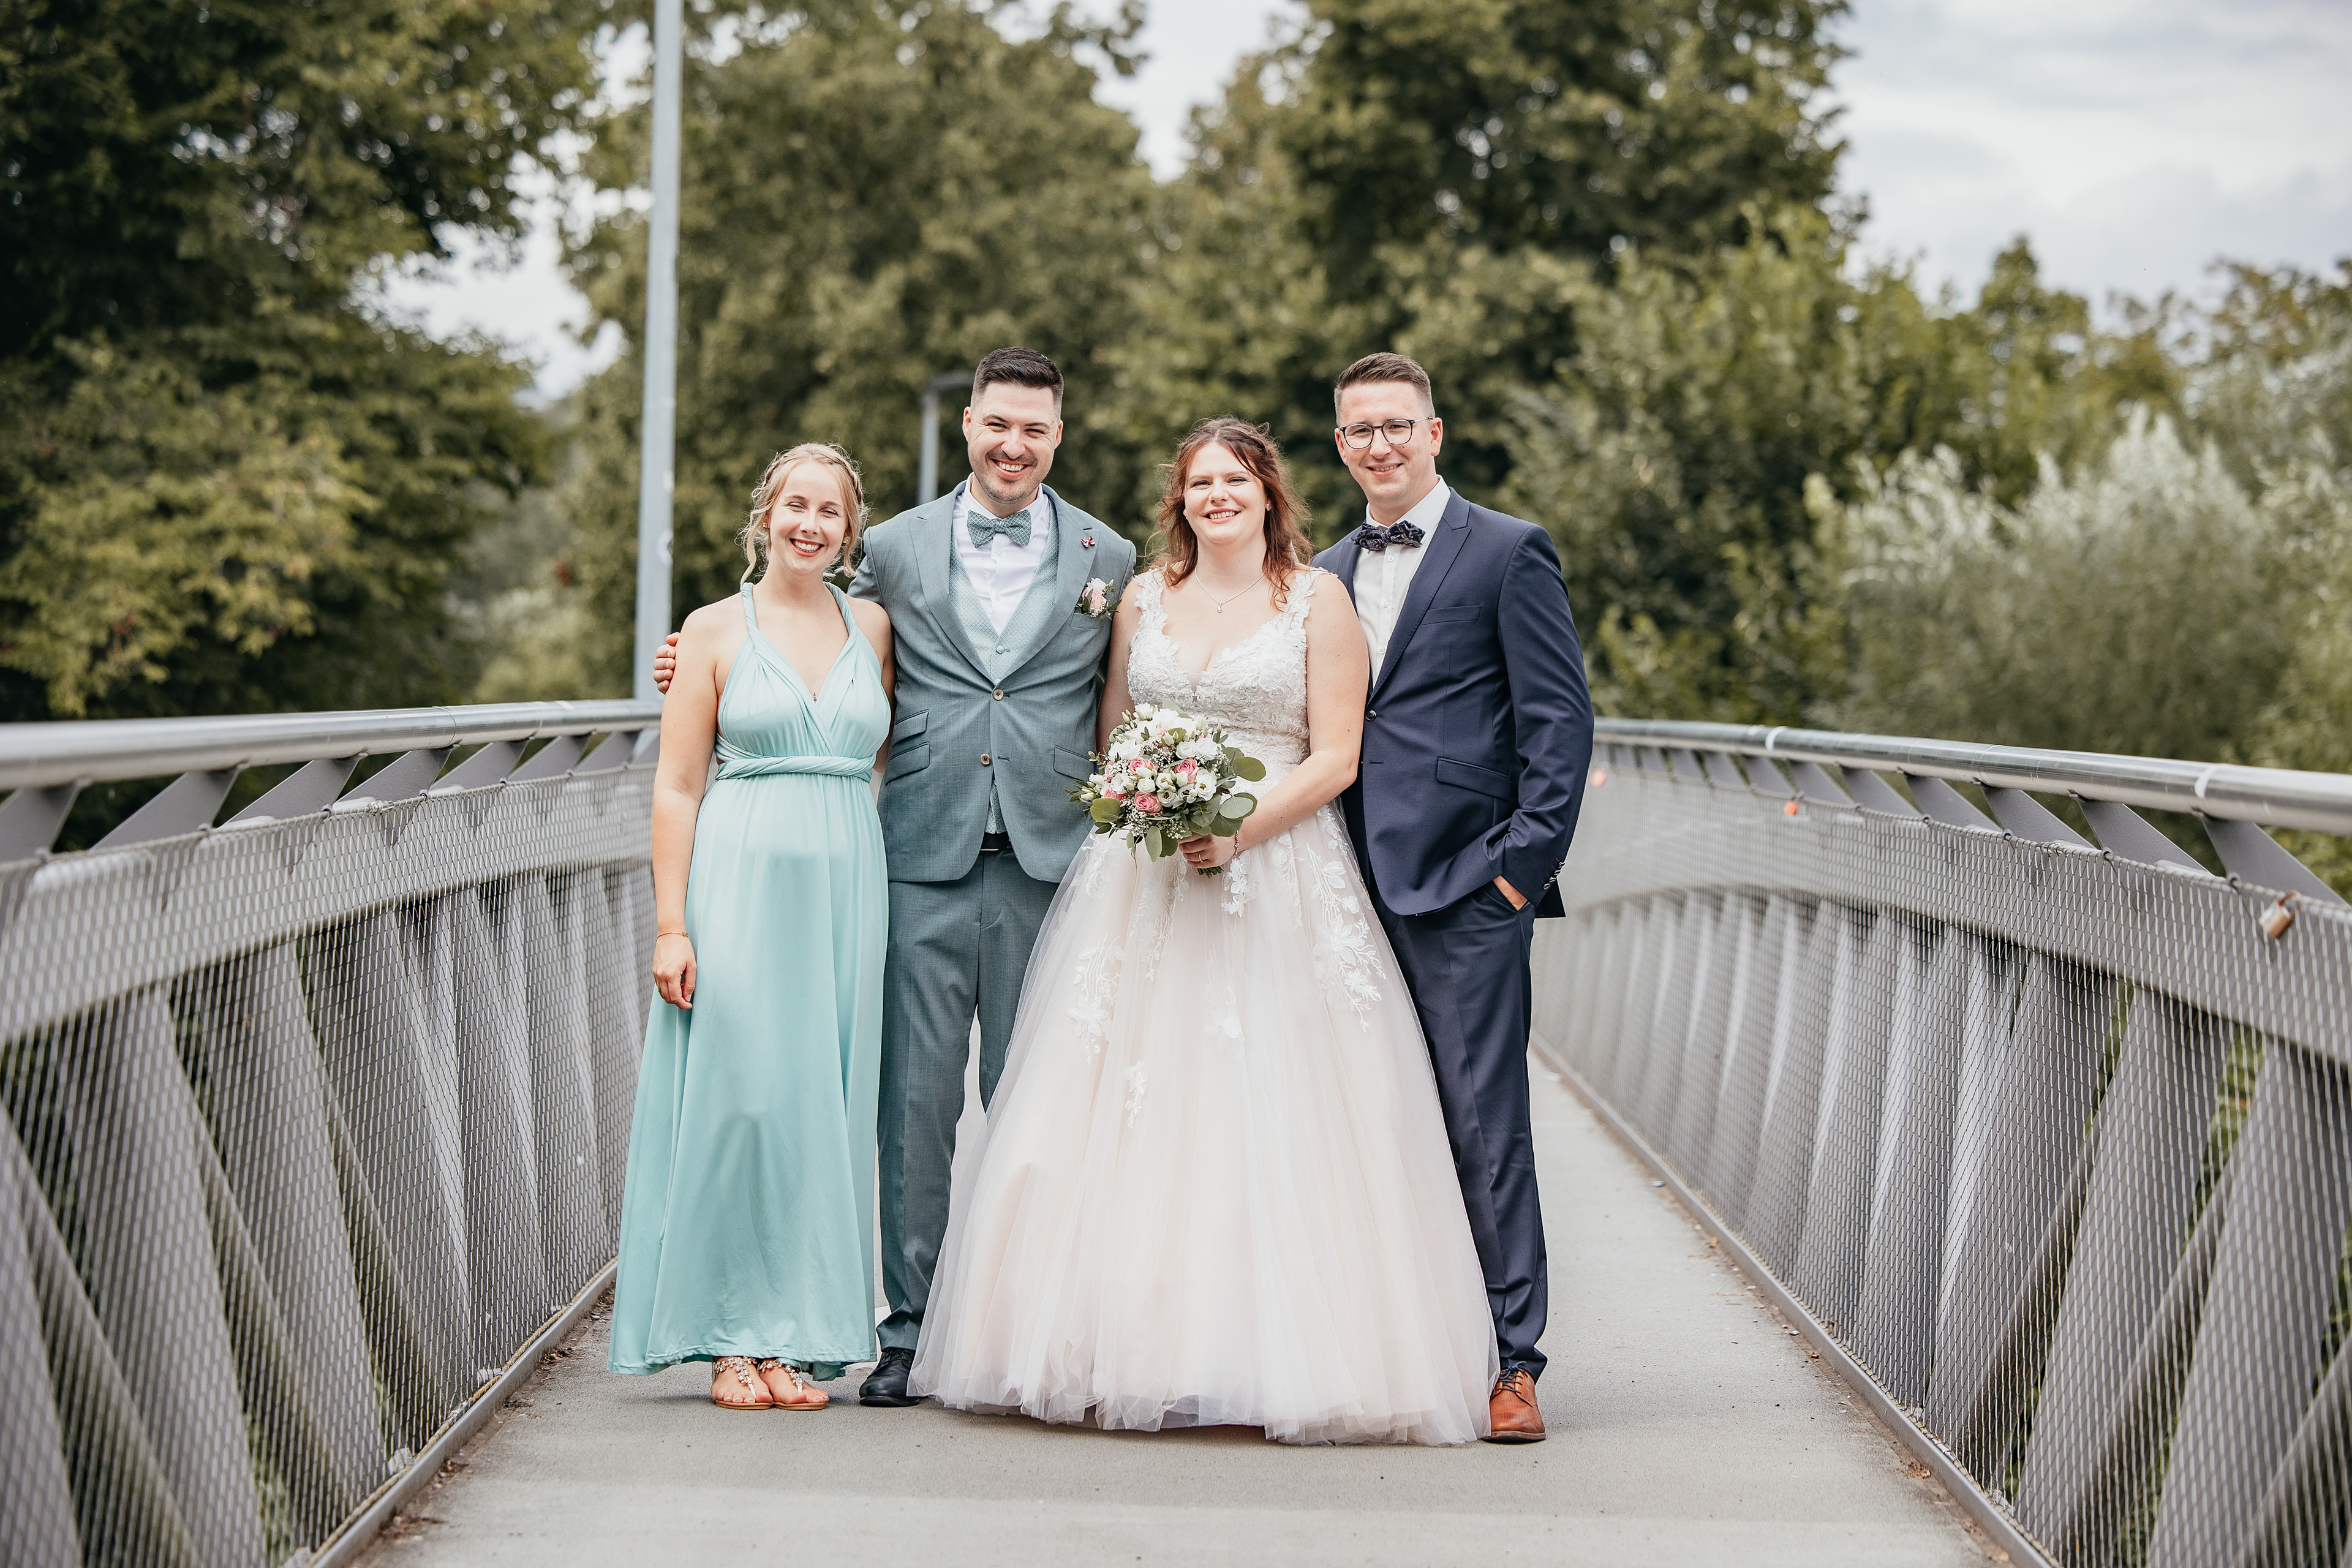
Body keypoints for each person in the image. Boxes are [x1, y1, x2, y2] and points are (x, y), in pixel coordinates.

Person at [909, 418, 1498, 1446]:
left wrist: (1238, 830)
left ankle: (1276, 1355)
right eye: (1198, 483)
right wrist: (1145, 803)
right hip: (1142, 878)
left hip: (1278, 871)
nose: (1216, 496)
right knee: (1129, 1103)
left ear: (1269, 492)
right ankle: (1127, 1347)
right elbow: (1114, 730)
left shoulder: (1317, 599)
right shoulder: (1143, 597)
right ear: (1179, 501)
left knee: (1274, 1102)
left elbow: (1337, 756)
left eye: (1234, 479)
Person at [653, 347, 1137, 1408]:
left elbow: (1132, 685)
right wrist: (692, 664)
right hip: (915, 858)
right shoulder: (896, 550)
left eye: (1036, 429)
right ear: (968, 424)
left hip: (1054, 862)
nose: (1014, 445)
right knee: (912, 1109)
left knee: (1041, 1104)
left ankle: (1027, 1337)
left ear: (1059, 436)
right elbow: (806, 637)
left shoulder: (1110, 554)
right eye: (997, 424)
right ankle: (910, 1332)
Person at [1313, 352, 1594, 1442]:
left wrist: (1518, 873)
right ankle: (1394, 1349)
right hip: (1343, 889)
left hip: (1467, 887)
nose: (1379, 444)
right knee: (1364, 1123)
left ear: (1434, 433)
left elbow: (1559, 725)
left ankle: (1514, 1363)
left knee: (1485, 1126)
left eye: (1398, 425)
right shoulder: (1324, 573)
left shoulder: (1510, 551)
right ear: (1341, 446)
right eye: (1360, 430)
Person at [609, 443, 895, 1411]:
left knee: (820, 1108)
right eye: (795, 506)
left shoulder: (875, 628)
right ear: (766, 515)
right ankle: (728, 1336)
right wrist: (671, 926)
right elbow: (678, 785)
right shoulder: (711, 630)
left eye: (830, 512)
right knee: (742, 1102)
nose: (811, 525)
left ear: (850, 532)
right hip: (738, 885)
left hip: (847, 891)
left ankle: (795, 1338)